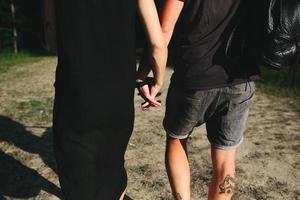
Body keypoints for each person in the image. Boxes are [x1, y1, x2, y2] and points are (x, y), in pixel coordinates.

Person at [137, 0, 261, 199]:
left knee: (177, 138)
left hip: (194, 75)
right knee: (226, 155)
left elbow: (165, 28)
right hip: (240, 77)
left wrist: (144, 73)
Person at [53, 0, 167, 199]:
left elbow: (50, 39)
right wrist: (154, 82)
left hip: (74, 95)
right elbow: (158, 44)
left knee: (79, 183)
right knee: (112, 174)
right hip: (117, 97)